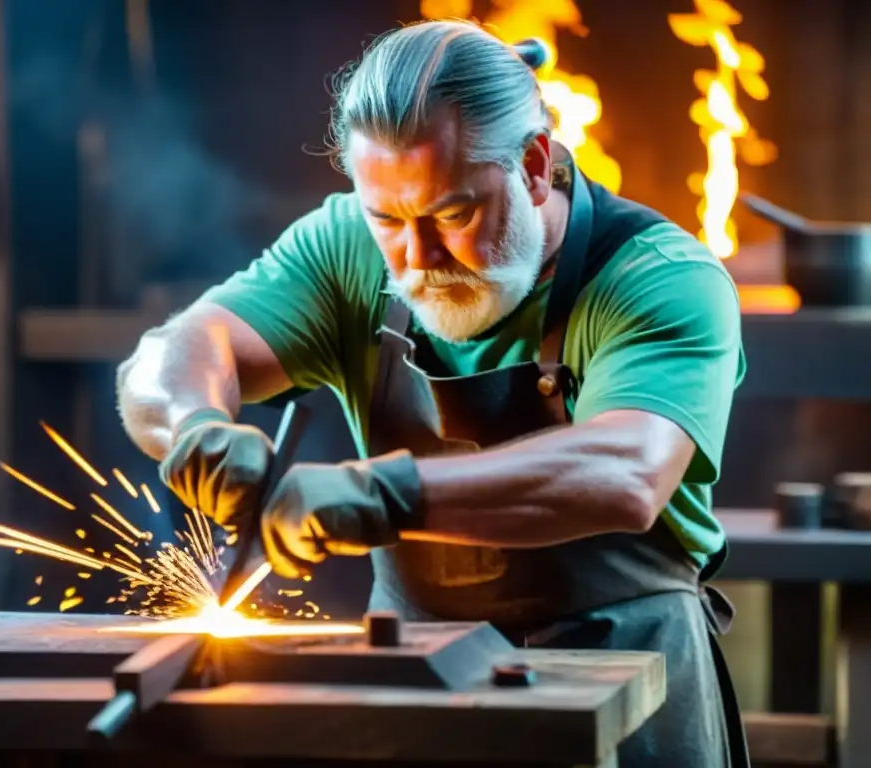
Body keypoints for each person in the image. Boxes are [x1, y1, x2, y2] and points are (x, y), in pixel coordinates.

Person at [117, 19, 749, 767]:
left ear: (537, 164)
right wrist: (193, 427)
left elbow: (626, 471)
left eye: (455, 214)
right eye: (389, 219)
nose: (418, 257)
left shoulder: (659, 276)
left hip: (632, 682)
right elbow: (175, 352)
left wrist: (385, 493)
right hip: (416, 682)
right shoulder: (345, 247)